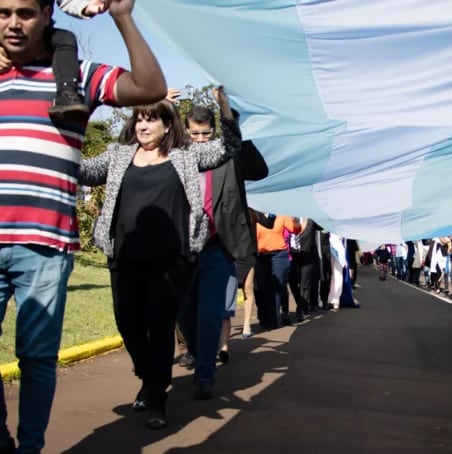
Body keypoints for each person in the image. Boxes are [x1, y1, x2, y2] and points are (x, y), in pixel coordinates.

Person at [0, 0, 165, 449]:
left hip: (44, 243)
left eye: (25, 13)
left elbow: (150, 86)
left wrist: (122, 17)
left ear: (47, 17)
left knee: (35, 358)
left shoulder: (73, 76)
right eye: (3, 12)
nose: (14, 23)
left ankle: (30, 445)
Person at [79, 99, 240, 429]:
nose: (142, 126)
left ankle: (156, 398)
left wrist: (225, 109)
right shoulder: (119, 154)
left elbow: (229, 148)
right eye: (139, 119)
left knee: (160, 325)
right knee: (128, 325)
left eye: (151, 120)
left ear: (168, 126)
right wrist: (77, 120)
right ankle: (150, 376)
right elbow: (83, 171)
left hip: (171, 261)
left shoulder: (185, 155)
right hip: (124, 257)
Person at [172, 87, 269, 400]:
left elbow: (258, 169)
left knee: (212, 312)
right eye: (195, 134)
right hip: (183, 248)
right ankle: (200, 354)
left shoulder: (226, 152)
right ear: (186, 132)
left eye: (206, 133)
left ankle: (204, 374)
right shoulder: (178, 157)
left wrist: (227, 112)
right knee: (184, 315)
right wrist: (164, 108)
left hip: (219, 246)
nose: (201, 140)